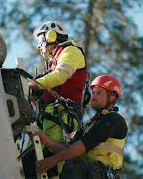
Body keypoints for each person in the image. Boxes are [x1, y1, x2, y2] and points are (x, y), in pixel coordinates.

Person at [23, 20, 89, 178]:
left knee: (49, 165)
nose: (39, 46)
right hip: (45, 120)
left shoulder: (71, 52)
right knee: (28, 163)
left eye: (40, 40)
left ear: (50, 36)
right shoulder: (50, 63)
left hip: (60, 121)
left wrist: (32, 85)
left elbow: (60, 76)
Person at [33, 75, 128, 179]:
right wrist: (46, 141)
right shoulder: (90, 125)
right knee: (71, 159)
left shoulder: (114, 120)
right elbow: (69, 151)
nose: (94, 96)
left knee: (72, 162)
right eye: (93, 93)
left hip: (101, 174)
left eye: (99, 93)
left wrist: (53, 160)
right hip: (90, 172)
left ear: (113, 96)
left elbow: (81, 147)